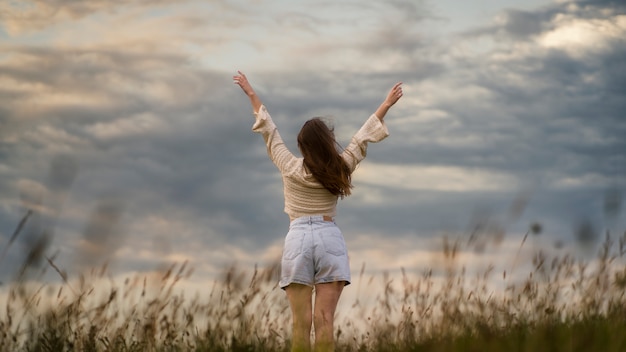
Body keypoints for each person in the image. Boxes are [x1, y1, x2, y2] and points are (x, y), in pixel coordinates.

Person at [233, 71, 402, 352]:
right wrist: (386, 104)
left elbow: (269, 130)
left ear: (302, 145)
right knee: (325, 322)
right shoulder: (340, 167)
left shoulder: (289, 166)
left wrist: (250, 92)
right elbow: (361, 138)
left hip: (298, 238)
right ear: (327, 141)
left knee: (301, 326)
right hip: (329, 239)